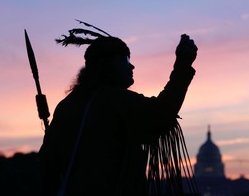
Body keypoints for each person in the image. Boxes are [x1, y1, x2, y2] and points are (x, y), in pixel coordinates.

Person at [39, 22, 198, 196]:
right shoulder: (115, 100)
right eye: (125, 59)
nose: (131, 66)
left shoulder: (67, 105)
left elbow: (47, 164)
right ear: (107, 65)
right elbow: (161, 114)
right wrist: (182, 67)